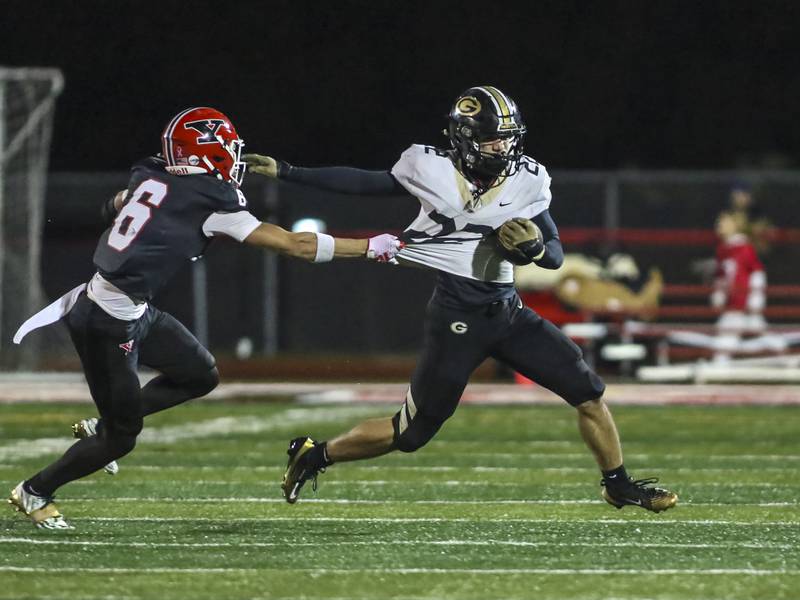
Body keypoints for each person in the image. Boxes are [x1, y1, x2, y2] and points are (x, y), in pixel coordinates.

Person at [246, 86, 677, 513]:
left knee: (589, 392)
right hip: (458, 318)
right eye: (493, 139)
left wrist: (536, 252)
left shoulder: (528, 178)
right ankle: (313, 455)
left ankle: (617, 485)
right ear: (465, 140)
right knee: (410, 434)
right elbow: (366, 183)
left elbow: (554, 251)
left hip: (509, 313)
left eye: (509, 137)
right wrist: (288, 171)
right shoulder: (427, 166)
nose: (504, 147)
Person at [8, 106, 401, 529]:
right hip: (107, 320)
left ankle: (104, 420)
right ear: (206, 154)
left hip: (128, 307)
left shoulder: (151, 172)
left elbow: (117, 204)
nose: (233, 159)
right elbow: (294, 245)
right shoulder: (211, 200)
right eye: (228, 150)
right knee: (121, 438)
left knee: (200, 374)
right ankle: (35, 491)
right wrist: (365, 247)